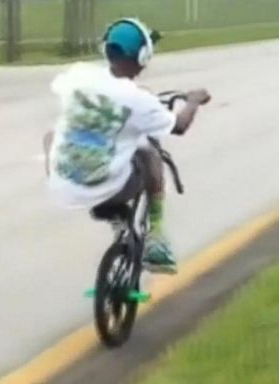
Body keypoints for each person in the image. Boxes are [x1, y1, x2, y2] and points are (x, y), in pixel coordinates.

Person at [42, 17, 211, 274]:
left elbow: (96, 94)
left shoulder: (78, 74)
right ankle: (156, 236)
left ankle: (108, 209)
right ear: (143, 56)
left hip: (64, 186)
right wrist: (193, 102)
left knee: (51, 135)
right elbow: (179, 126)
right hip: (107, 185)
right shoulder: (137, 99)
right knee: (149, 153)